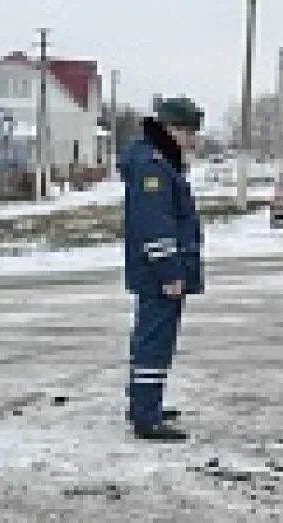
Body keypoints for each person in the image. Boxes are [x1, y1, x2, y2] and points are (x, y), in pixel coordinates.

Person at [120, 95, 204, 442]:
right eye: (188, 132)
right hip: (159, 274)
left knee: (149, 339)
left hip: (157, 271)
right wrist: (170, 272)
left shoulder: (159, 161)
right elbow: (155, 225)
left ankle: (144, 403)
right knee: (155, 342)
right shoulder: (154, 166)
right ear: (172, 129)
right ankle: (146, 417)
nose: (192, 139)